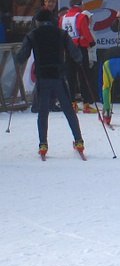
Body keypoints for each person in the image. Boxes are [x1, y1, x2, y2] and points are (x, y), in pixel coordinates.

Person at [15, 10, 84, 158]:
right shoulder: (61, 33)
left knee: (43, 112)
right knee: (69, 111)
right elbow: (75, 53)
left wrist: (17, 58)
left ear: (38, 21)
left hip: (43, 78)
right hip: (59, 77)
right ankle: (79, 141)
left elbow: (22, 56)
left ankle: (43, 144)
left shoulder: (32, 35)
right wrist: (79, 60)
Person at [59, 0, 98, 113]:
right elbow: (85, 31)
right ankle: (86, 104)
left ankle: (72, 103)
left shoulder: (63, 18)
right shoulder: (81, 16)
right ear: (79, 4)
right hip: (80, 49)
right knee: (84, 76)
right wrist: (91, 42)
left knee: (70, 77)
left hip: (68, 49)